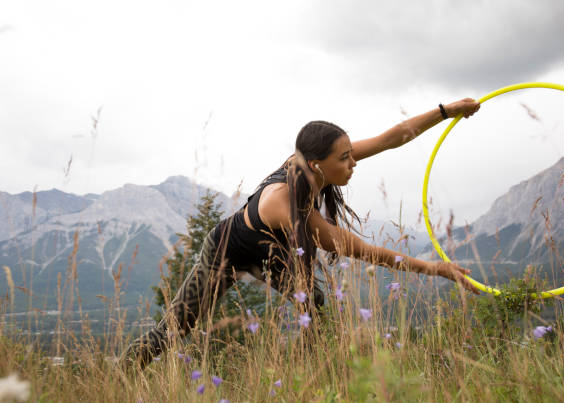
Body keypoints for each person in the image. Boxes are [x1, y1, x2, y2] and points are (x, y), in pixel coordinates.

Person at [121, 99, 481, 368]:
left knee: (315, 306)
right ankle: (126, 369)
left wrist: (447, 110)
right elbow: (361, 250)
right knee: (177, 327)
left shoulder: (317, 165)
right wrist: (435, 269)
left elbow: (392, 138)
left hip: (272, 252)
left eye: (351, 154)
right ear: (316, 164)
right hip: (226, 250)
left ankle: (313, 374)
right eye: (344, 158)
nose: (353, 162)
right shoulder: (285, 200)